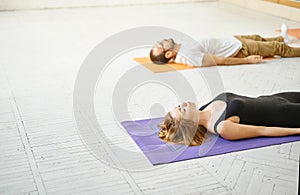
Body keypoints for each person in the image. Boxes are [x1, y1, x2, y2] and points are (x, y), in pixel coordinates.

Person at [158, 92, 300, 146]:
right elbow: (263, 130)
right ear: (191, 123)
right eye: (182, 110)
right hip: (289, 114)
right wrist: (297, 131)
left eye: (178, 106)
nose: (183, 104)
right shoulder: (222, 127)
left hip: (278, 98)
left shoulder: (204, 108)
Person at [150, 24, 300, 66]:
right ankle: (285, 44)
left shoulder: (180, 46)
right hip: (239, 49)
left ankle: (283, 38)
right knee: (277, 49)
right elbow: (218, 60)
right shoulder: (188, 57)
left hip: (231, 40)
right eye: (161, 44)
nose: (162, 40)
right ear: (168, 54)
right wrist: (246, 61)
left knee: (257, 37)